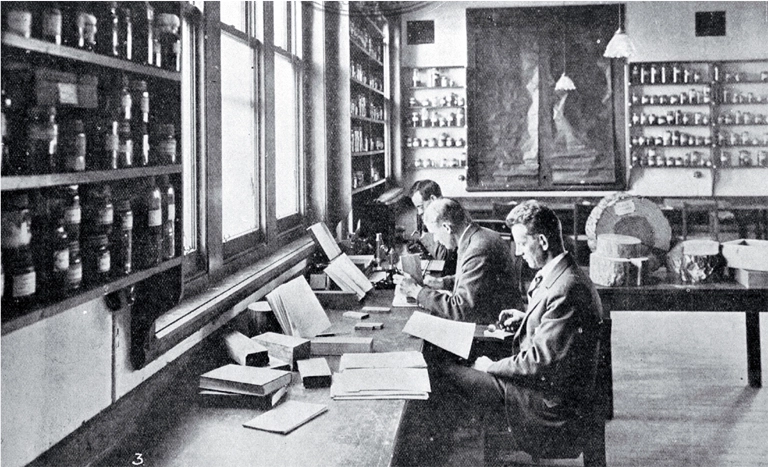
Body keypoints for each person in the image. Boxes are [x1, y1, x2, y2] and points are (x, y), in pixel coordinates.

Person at [429, 200, 605, 453]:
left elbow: (539, 362)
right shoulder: (560, 274)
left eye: (522, 244)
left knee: (441, 373)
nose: (519, 252)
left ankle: (451, 454)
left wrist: (491, 367)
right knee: (455, 364)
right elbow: (557, 332)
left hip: (546, 405)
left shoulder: (568, 288)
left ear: (543, 242)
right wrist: (526, 318)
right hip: (542, 386)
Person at [399, 198, 522, 324]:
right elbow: (477, 280)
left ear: (447, 228)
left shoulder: (477, 249)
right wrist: (443, 282)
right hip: (493, 316)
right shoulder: (478, 236)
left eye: (435, 233)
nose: (435, 240)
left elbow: (461, 310)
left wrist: (417, 292)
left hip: (493, 327)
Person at [409, 180, 457, 275]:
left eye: (420, 206)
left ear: (433, 199)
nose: (419, 212)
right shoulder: (436, 212)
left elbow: (443, 256)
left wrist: (423, 235)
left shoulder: (446, 215)